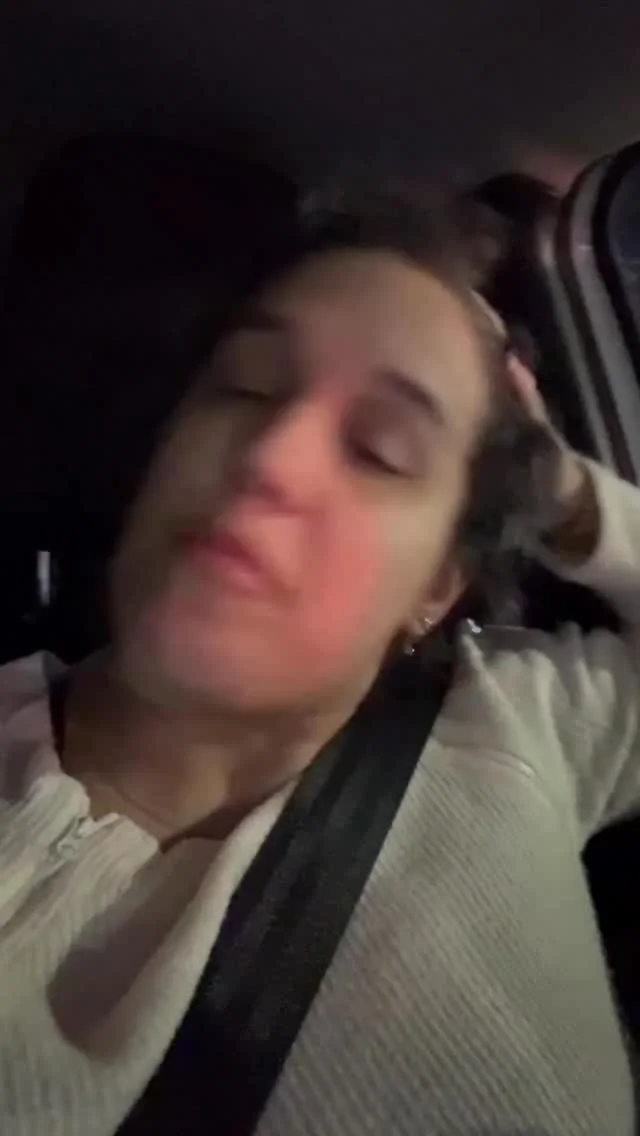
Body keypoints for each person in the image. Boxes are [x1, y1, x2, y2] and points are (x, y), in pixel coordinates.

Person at [1, 187, 639, 1136]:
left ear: (437, 586)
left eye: (380, 450)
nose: (272, 455)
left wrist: (564, 494)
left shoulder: (518, 726)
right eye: (248, 388)